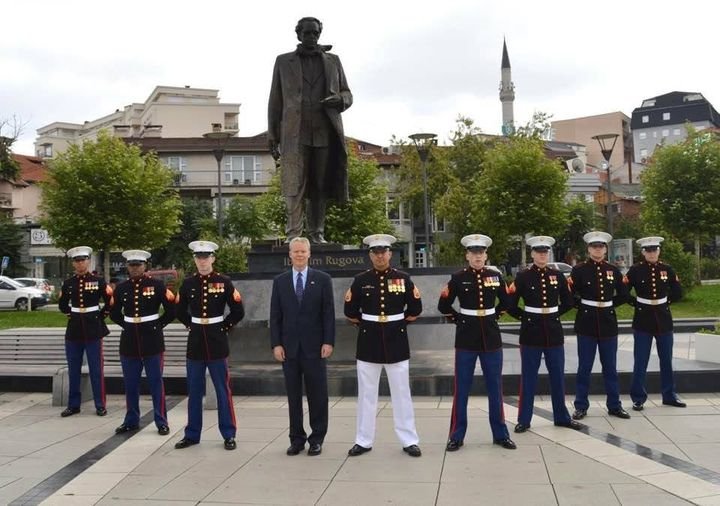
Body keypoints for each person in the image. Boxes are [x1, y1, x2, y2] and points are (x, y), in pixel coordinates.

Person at [268, 16, 353, 244]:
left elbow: (347, 93)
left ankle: (317, 233)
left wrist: (340, 100)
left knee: (320, 185)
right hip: (294, 133)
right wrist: (273, 134)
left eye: (315, 33)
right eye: (307, 33)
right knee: (294, 184)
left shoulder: (333, 60)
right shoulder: (283, 61)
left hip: (325, 131)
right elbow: (275, 100)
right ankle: (294, 234)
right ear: (298, 34)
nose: (312, 37)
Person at [344, 234, 423, 457]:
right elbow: (350, 311)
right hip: (368, 341)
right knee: (366, 395)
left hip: (396, 340)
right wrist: (368, 324)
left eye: (383, 252)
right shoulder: (360, 280)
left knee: (402, 393)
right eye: (375, 252)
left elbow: (415, 308)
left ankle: (409, 440)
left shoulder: (403, 278)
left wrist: (397, 324)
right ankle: (363, 440)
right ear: (370, 255)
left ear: (390, 254)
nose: (380, 256)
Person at [438, 234, 516, 451]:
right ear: (467, 255)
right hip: (466, 337)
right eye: (473, 253)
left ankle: (500, 434)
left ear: (486, 255)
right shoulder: (457, 278)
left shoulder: (495, 276)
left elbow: (507, 302)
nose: (477, 256)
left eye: (481, 252)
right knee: (462, 388)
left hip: (491, 337)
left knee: (495, 387)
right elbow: (443, 305)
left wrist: (494, 316)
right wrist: (460, 320)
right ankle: (456, 435)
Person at [174, 241, 245, 451]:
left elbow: (238, 310)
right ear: (195, 260)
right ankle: (192, 435)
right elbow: (179, 310)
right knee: (194, 391)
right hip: (196, 341)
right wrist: (190, 325)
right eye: (199, 258)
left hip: (216, 341)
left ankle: (229, 434)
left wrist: (224, 327)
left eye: (206, 257)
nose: (202, 261)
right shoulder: (188, 283)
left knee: (222, 390)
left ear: (213, 258)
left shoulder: (224, 282)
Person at [507, 236, 581, 433]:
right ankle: (524, 419)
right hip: (531, 332)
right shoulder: (523, 277)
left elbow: (568, 301)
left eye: (545, 252)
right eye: (538, 252)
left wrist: (554, 314)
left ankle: (562, 417)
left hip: (553, 331)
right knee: (528, 378)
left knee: (557, 377)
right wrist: (526, 317)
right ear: (532, 254)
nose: (542, 255)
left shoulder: (558, 276)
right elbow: (510, 304)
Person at [270, 237, 335, 456]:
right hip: (289, 349)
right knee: (293, 396)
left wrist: (328, 341)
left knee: (318, 395)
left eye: (303, 251)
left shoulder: (323, 279)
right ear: (289, 254)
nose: (299, 255)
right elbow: (275, 316)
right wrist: (276, 344)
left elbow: (328, 314)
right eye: (295, 251)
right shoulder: (280, 281)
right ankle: (296, 439)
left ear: (309, 254)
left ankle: (317, 438)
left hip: (315, 348)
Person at [109, 250, 176, 435]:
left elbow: (171, 310)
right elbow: (114, 312)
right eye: (132, 265)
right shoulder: (121, 288)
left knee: (156, 383)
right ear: (127, 267)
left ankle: (161, 421)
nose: (135, 268)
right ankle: (131, 420)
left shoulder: (156, 285)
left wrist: (157, 325)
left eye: (138, 265)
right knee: (130, 384)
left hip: (152, 340)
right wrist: (126, 324)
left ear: (145, 266)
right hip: (129, 340)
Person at [570, 232, 630, 420]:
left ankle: (614, 405)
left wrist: (609, 305)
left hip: (607, 323)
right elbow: (570, 295)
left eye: (601, 246)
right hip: (586, 323)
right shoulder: (578, 270)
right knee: (584, 367)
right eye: (594, 246)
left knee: (610, 367)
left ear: (605, 249)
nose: (597, 249)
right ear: (588, 249)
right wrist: (584, 306)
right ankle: (581, 406)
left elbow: (624, 294)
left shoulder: (613, 270)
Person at [624, 236, 686, 410]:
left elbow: (677, 291)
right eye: (648, 251)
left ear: (659, 251)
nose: (652, 253)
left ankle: (669, 395)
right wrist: (636, 303)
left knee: (666, 360)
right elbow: (624, 291)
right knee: (640, 360)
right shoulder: (635, 270)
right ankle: (638, 397)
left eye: (654, 250)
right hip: (643, 320)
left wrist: (665, 303)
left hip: (663, 319)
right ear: (643, 252)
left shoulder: (667, 269)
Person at [58, 246, 113, 417]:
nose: (80, 263)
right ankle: (73, 405)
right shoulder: (68, 283)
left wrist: (99, 317)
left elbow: (110, 301)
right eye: (77, 261)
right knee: (73, 368)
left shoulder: (98, 281)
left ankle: (100, 404)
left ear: (88, 261)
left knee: (96, 369)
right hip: (74, 329)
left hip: (93, 329)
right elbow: (62, 304)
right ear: (73, 264)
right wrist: (71, 314)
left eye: (83, 260)